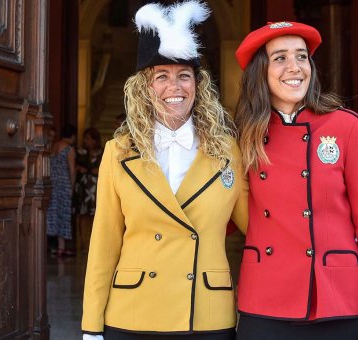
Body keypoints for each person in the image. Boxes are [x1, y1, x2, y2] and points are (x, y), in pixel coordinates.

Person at [81, 2, 247, 339]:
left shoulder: (229, 151)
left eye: (184, 75)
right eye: (162, 77)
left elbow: (260, 229)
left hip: (205, 315)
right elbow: (104, 242)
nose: (175, 87)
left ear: (198, 85)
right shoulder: (118, 152)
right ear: (146, 86)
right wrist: (91, 326)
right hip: (132, 314)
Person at [233, 22, 358, 340]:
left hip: (336, 299)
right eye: (280, 58)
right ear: (260, 72)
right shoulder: (241, 138)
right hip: (265, 300)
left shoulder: (347, 128)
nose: (295, 67)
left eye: (302, 57)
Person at [47, 124, 77, 257]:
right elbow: (72, 170)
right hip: (64, 184)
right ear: (73, 136)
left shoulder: (53, 146)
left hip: (52, 183)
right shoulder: (69, 149)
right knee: (63, 213)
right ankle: (61, 246)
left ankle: (51, 246)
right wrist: (71, 186)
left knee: (52, 213)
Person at [74, 127, 103, 254]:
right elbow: (77, 167)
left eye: (89, 138)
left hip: (96, 188)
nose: (86, 141)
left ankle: (95, 244)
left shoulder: (103, 152)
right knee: (83, 215)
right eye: (85, 139)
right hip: (83, 188)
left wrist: (92, 170)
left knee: (96, 215)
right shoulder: (81, 152)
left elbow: (101, 169)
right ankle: (83, 243)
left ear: (95, 140)